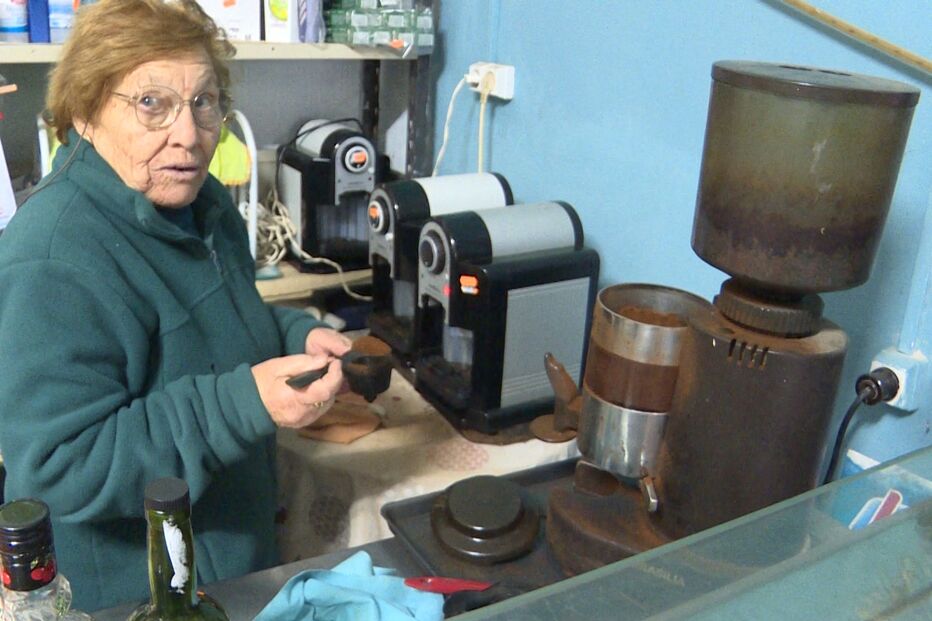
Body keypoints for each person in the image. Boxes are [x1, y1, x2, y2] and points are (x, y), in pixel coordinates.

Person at [0, 0, 351, 611]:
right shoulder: (52, 258)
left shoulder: (201, 202)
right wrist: (243, 402)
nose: (189, 134)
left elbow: (223, 327)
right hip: (147, 599)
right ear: (84, 111)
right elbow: (60, 467)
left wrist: (295, 335)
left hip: (235, 567)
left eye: (204, 102)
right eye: (152, 103)